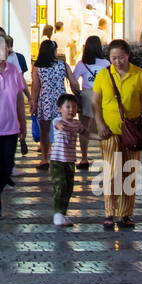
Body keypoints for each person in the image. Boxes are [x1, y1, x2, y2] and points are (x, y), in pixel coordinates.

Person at [94, 38, 142, 231]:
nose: (117, 61)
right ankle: (109, 213)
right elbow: (95, 103)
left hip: (132, 132)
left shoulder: (139, 74)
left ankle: (125, 214)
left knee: (129, 173)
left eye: (120, 57)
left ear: (128, 56)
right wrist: (100, 124)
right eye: (113, 58)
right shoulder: (104, 75)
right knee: (112, 172)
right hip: (110, 131)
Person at [0, 32, 27, 220]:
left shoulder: (13, 71)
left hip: (11, 127)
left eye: (4, 49)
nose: (2, 52)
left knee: (7, 167)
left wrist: (22, 121)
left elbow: (18, 98)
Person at [71, 36, 110, 170]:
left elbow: (74, 80)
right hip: (103, 96)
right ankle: (107, 157)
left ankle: (84, 158)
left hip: (87, 95)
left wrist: (77, 93)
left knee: (84, 129)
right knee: (104, 127)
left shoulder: (82, 64)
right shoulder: (105, 63)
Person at [31, 39, 68, 170]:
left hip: (45, 100)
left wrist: (33, 102)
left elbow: (36, 87)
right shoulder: (62, 64)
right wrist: (77, 95)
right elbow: (74, 82)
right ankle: (61, 158)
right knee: (61, 129)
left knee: (45, 131)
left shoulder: (37, 66)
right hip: (61, 101)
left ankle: (45, 159)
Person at [50, 93, 84, 227]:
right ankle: (57, 214)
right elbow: (58, 125)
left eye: (74, 107)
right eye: (68, 107)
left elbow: (86, 133)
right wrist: (61, 126)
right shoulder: (57, 121)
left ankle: (63, 213)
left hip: (70, 161)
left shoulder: (77, 123)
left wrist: (101, 136)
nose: (71, 110)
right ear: (60, 109)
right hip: (57, 161)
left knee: (69, 188)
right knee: (60, 186)